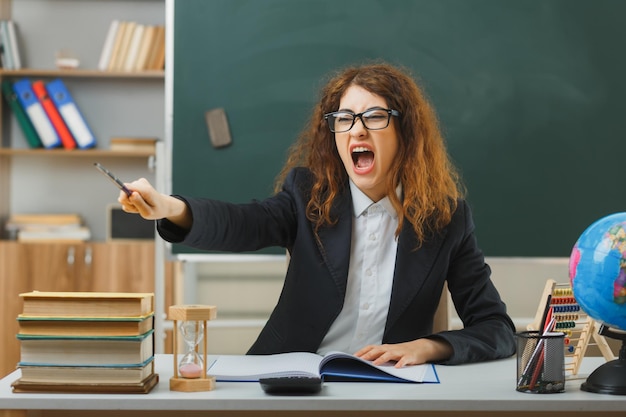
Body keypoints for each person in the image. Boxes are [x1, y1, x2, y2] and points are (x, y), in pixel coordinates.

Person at [119, 62, 516, 367]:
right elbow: (243, 223)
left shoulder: (446, 219)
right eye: (344, 119)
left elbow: (496, 329)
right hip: (290, 382)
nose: (356, 130)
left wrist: (428, 346)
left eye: (374, 117)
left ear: (405, 132)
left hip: (387, 391)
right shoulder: (306, 195)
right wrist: (171, 207)